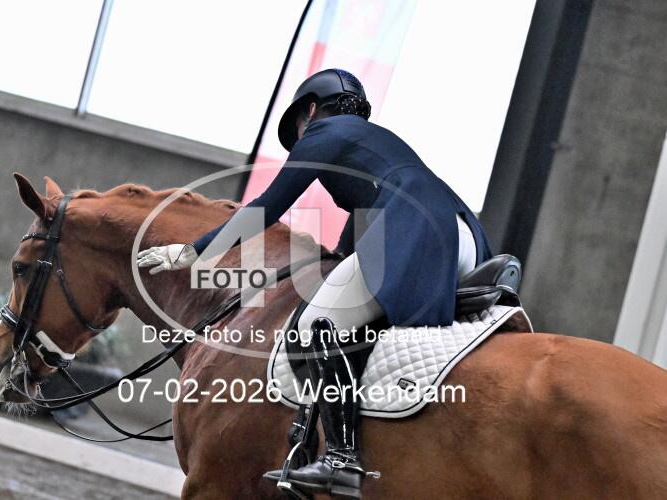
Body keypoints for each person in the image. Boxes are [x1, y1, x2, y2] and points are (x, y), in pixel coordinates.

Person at [137, 68, 492, 499]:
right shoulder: (376, 142)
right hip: (463, 236)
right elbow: (366, 215)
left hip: (415, 230)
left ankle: (341, 460)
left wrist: (193, 252)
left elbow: (267, 207)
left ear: (309, 110)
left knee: (317, 324)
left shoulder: (323, 132)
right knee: (357, 312)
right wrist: (338, 256)